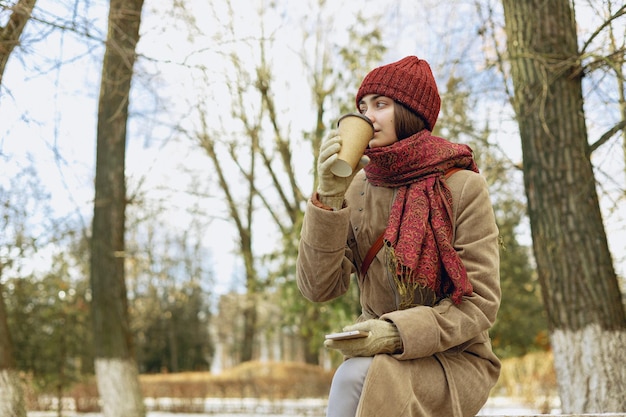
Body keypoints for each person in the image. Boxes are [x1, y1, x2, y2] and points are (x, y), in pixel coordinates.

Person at [296, 56, 501, 417]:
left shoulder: (463, 185)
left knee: (359, 376)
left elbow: (480, 302)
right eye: (362, 106)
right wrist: (328, 199)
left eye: (381, 105)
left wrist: (396, 333)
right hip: (377, 354)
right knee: (361, 374)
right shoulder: (356, 187)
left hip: (453, 359)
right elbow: (318, 287)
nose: (367, 116)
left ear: (409, 111)